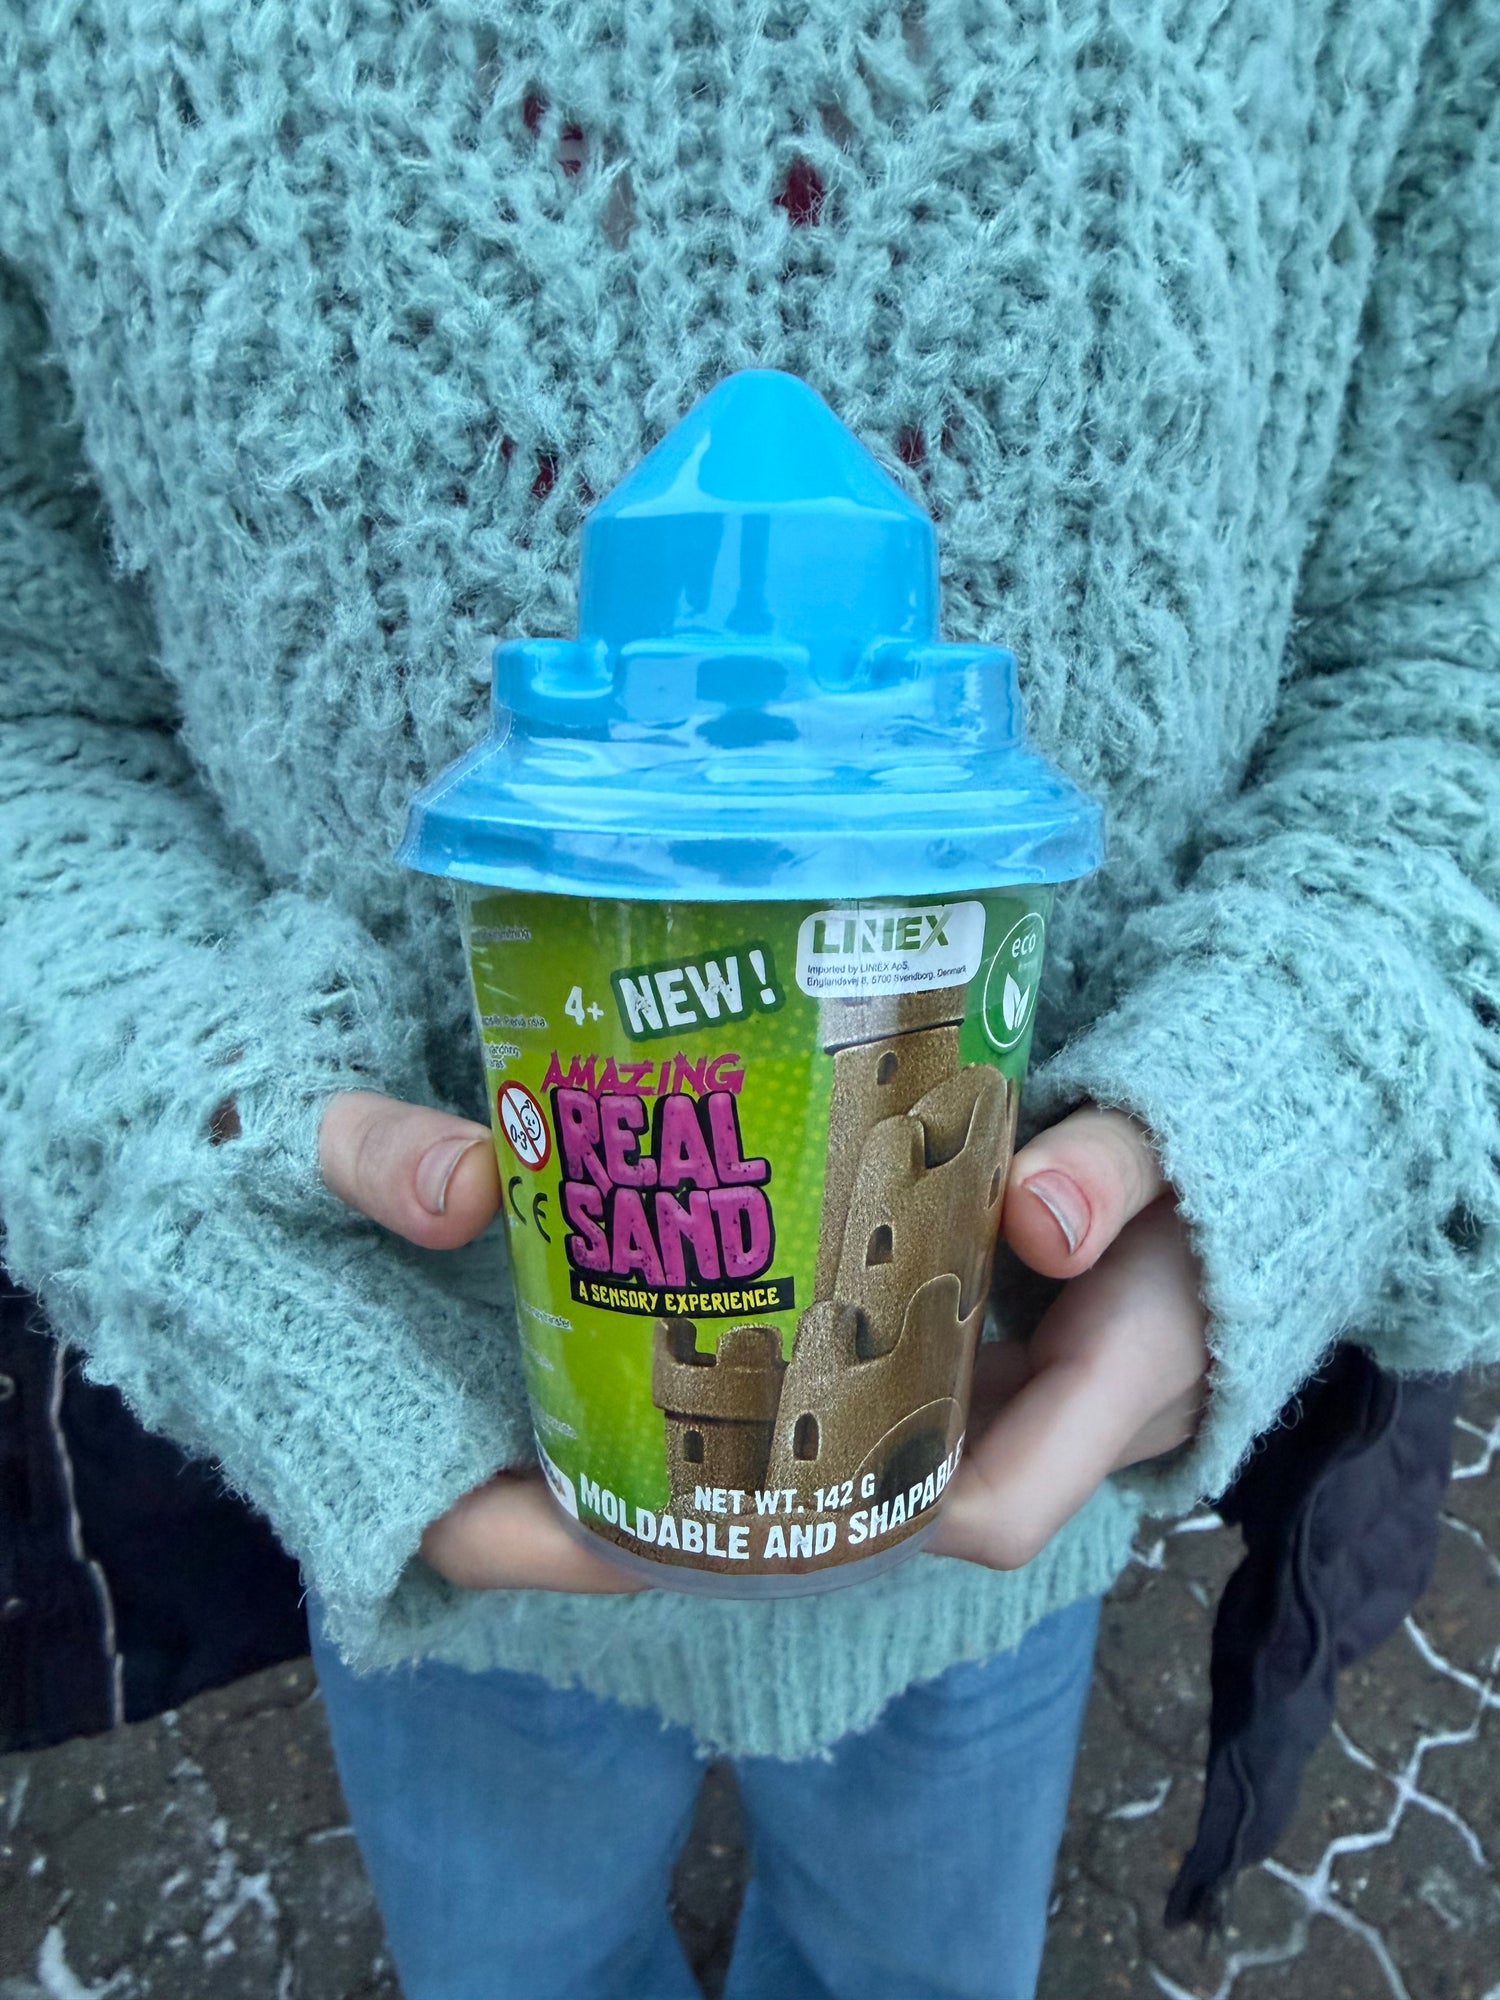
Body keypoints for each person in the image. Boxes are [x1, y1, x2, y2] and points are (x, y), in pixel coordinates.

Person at [0, 4, 1495, 1995]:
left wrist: (1291, 1091)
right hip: (411, 1477)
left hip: (1001, 1480)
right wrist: (183, 1154)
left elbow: (1454, 610)